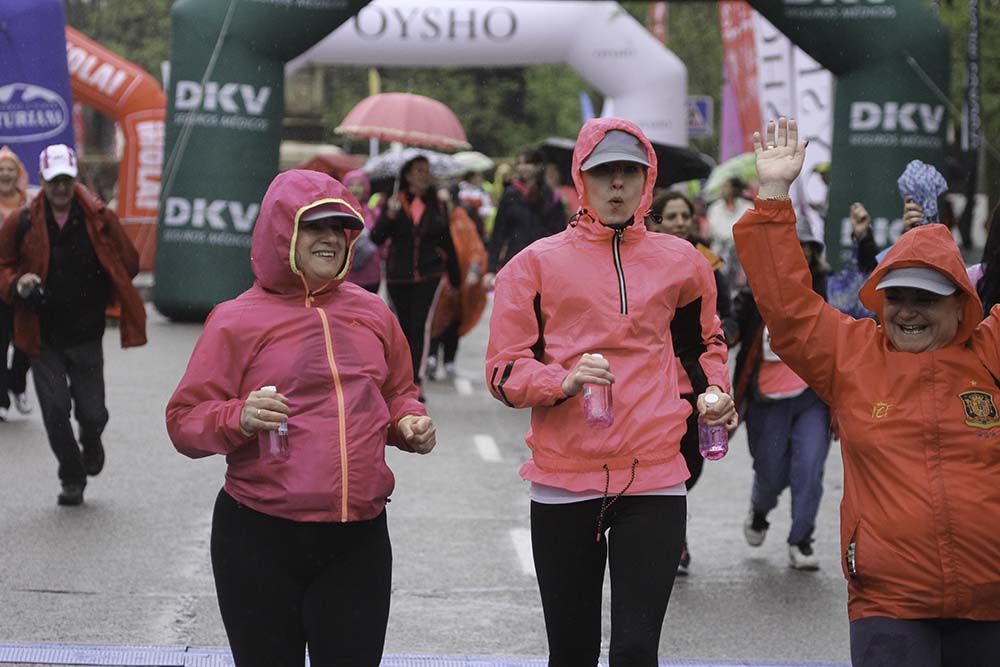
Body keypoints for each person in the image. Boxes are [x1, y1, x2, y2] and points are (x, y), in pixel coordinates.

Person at [734, 117, 1000, 666]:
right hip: (890, 602)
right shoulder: (853, 354)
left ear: (961, 304)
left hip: (991, 602)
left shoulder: (990, 352)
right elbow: (788, 308)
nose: (908, 311)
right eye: (897, 294)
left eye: (926, 298)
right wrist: (774, 197)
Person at [486, 117, 736, 665]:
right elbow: (503, 372)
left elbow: (701, 350)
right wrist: (562, 381)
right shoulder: (533, 265)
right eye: (605, 173)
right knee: (572, 652)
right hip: (563, 481)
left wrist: (715, 393)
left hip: (654, 477)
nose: (617, 185)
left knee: (635, 649)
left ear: (648, 180)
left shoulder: (683, 262)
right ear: (582, 179)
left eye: (630, 172)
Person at [166, 169, 437, 666]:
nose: (330, 239)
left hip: (357, 538)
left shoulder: (374, 313)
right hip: (258, 537)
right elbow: (184, 420)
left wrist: (409, 422)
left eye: (340, 228)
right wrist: (239, 416)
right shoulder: (235, 318)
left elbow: (399, 391)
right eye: (314, 227)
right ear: (281, 232)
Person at [0, 144, 145, 506]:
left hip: (86, 331)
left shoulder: (99, 216)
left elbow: (130, 263)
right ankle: (71, 475)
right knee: (54, 410)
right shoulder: (22, 221)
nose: (61, 188)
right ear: (43, 182)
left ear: (75, 178)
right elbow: (3, 266)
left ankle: (91, 439)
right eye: (54, 181)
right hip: (42, 333)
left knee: (93, 413)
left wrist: (107, 279)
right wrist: (18, 284)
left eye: (66, 180)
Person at [730, 219, 832, 571]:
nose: (799, 252)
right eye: (792, 245)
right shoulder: (756, 288)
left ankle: (801, 538)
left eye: (806, 246)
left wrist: (862, 241)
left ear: (814, 252)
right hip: (766, 397)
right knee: (771, 472)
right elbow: (729, 327)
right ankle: (760, 511)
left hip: (813, 397)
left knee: (810, 467)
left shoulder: (825, 289)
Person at [646, 189, 734, 575]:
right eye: (672, 216)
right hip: (657, 385)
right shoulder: (644, 261)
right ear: (656, 221)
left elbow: (727, 313)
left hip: (697, 384)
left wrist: (719, 335)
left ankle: (671, 522)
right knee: (666, 464)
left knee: (692, 465)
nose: (680, 222)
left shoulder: (708, 262)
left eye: (685, 215)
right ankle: (672, 538)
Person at [370, 155, 460, 395]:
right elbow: (376, 237)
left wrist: (455, 277)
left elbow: (446, 241)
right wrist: (389, 215)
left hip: (429, 274)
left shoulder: (438, 204)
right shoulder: (393, 201)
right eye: (419, 171)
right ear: (408, 174)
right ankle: (397, 380)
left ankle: (415, 383)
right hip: (398, 274)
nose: (424, 175)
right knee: (401, 328)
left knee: (421, 326)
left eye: (427, 171)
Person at [483, 149, 567, 288]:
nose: (523, 167)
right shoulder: (510, 194)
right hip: (514, 259)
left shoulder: (552, 197)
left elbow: (560, 234)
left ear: (539, 166)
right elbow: (498, 233)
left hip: (543, 263)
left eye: (528, 163)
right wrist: (491, 269)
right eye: (520, 163)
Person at [0, 146, 32, 419]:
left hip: (21, 282)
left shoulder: (28, 205)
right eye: (1, 170)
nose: (5, 174)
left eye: (10, 169)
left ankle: (17, 384)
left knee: (25, 340)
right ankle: (1, 398)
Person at [342, 169, 381, 294]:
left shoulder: (374, 213)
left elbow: (383, 241)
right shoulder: (339, 212)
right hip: (346, 277)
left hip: (371, 276)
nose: (355, 189)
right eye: (351, 184)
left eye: (360, 184)